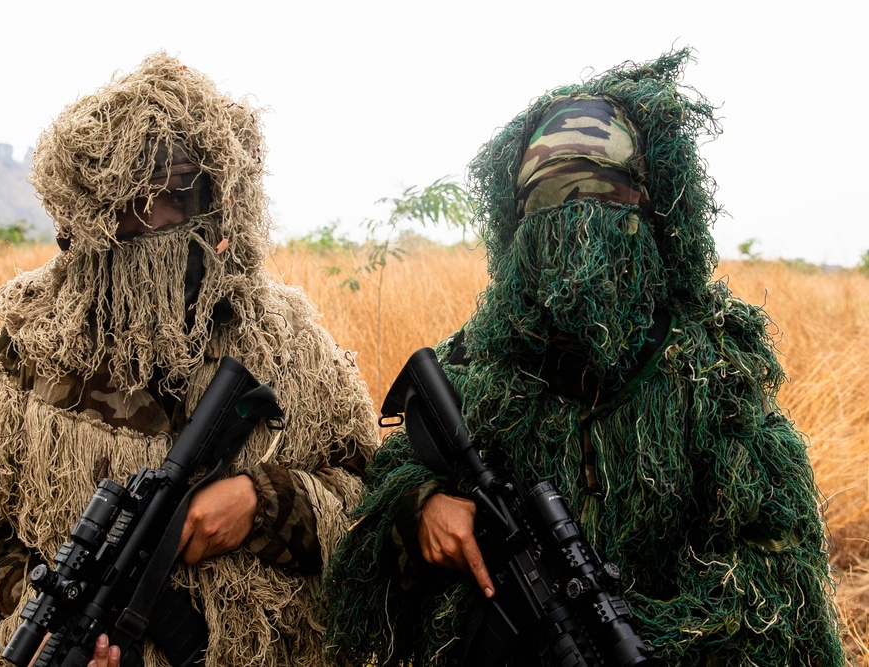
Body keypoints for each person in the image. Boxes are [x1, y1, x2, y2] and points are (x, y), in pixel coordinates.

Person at [321, 49, 847, 665]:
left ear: (648, 221)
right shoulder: (480, 363)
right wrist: (424, 507)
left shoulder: (713, 377)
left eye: (600, 216)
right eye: (551, 223)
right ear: (520, 234)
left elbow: (771, 582)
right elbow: (391, 479)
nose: (577, 263)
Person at [0, 51, 378, 667]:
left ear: (214, 205)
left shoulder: (288, 348)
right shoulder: (23, 358)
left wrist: (259, 501)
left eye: (172, 198)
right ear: (89, 217)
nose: (150, 222)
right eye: (127, 204)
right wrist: (41, 618)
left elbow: (369, 502)